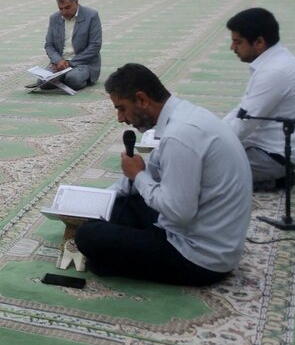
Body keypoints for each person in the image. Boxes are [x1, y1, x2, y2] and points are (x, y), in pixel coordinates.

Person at [74, 63, 252, 286]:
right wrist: (98, 200)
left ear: (142, 100)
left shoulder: (180, 136)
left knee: (87, 236)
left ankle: (111, 262)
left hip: (199, 258)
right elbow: (154, 173)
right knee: (118, 205)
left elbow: (178, 213)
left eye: (122, 108)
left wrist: (138, 176)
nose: (120, 118)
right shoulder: (184, 116)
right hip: (208, 233)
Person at [222, 8, 295, 191]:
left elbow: (243, 125)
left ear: (259, 42)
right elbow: (242, 109)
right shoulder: (274, 61)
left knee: (198, 169)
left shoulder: (275, 71)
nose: (232, 47)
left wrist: (206, 146)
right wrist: (214, 131)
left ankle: (274, 179)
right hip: (259, 147)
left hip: (271, 157)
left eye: (238, 42)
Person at [31, 0, 102, 91]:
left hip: (83, 63)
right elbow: (49, 45)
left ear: (76, 3)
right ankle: (61, 77)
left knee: (73, 79)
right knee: (43, 82)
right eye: (61, 9)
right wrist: (58, 60)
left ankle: (69, 77)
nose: (64, 12)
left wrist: (70, 63)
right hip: (60, 63)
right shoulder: (54, 18)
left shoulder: (91, 16)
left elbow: (95, 45)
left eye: (68, 8)